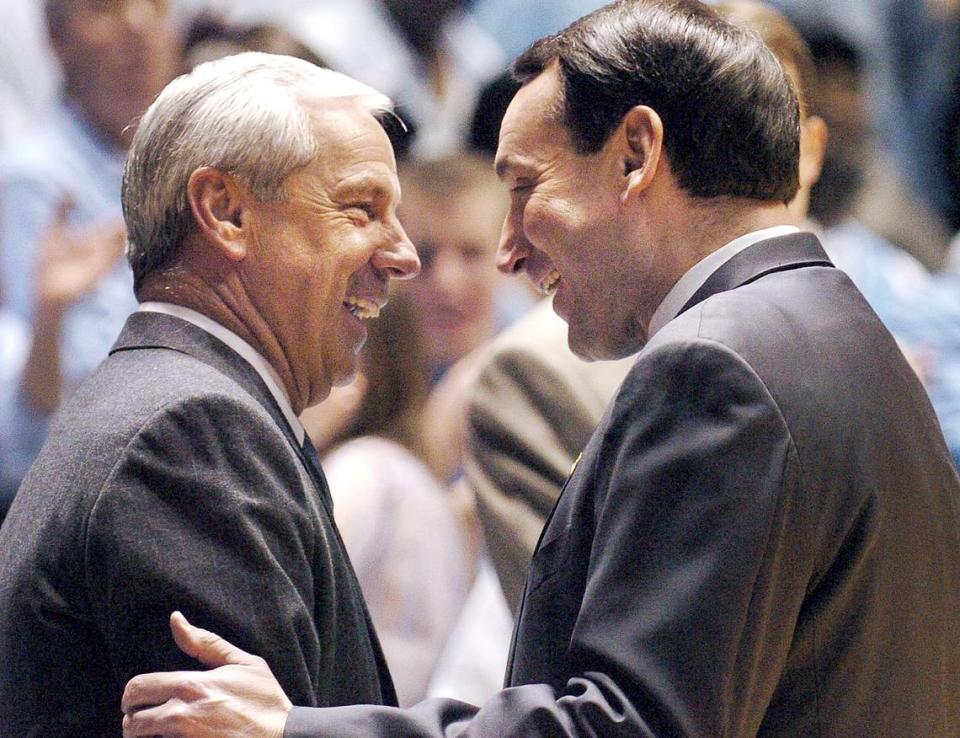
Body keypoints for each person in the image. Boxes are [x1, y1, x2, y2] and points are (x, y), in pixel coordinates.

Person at [122, 1, 960, 736]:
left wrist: (295, 735)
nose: (509, 248)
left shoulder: (715, 370)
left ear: (635, 154)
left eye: (526, 186)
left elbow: (627, 729)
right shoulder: (846, 327)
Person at [0, 51, 420, 735]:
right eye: (361, 209)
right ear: (225, 212)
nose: (405, 254)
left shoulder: (168, 404)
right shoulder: (192, 434)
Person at [0, 0, 179, 494]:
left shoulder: (191, 166)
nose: (138, 26)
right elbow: (30, 438)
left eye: (156, 5)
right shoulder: (32, 177)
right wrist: (51, 315)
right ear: (57, 42)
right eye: (105, 7)